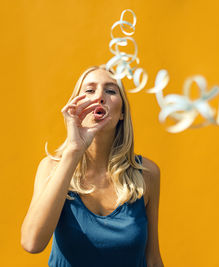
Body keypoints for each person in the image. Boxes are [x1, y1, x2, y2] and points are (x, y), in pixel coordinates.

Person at [21, 65, 164, 267]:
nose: (100, 97)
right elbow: (31, 242)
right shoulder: (51, 168)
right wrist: (73, 150)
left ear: (122, 112)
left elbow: (153, 259)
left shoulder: (147, 174)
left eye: (111, 90)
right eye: (89, 90)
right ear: (76, 107)